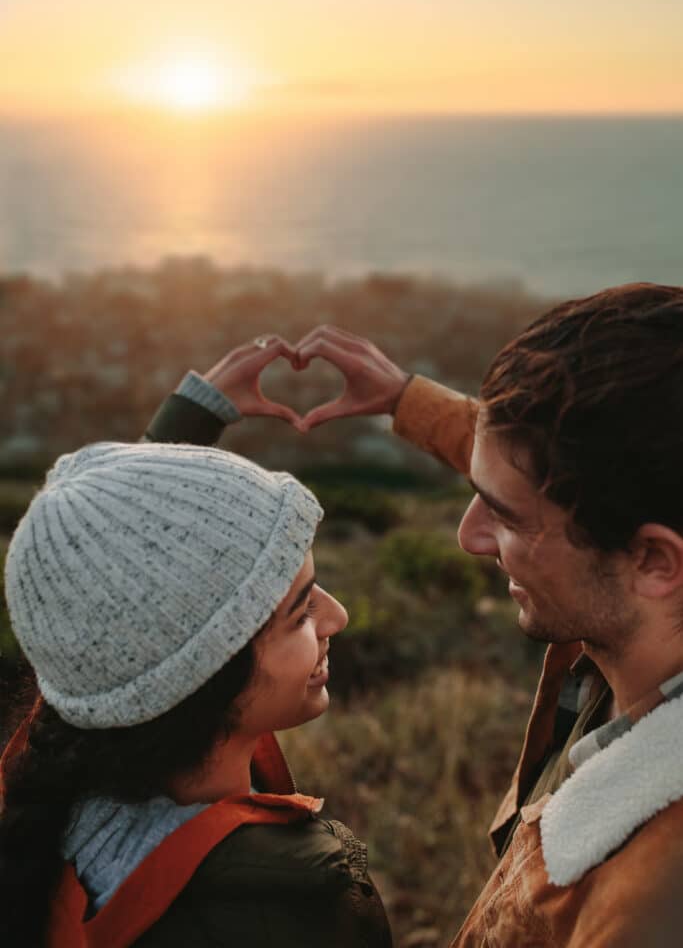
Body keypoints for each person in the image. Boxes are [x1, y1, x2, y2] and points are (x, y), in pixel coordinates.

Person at [153, 285, 683, 947]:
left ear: (654, 562)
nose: (470, 537)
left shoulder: (647, 907)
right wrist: (407, 400)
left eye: (506, 518)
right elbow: (546, 474)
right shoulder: (630, 603)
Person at [0, 337, 393, 948]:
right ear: (203, 673)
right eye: (299, 613)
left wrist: (185, 426)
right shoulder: (292, 902)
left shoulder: (54, 803)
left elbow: (120, 601)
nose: (337, 617)